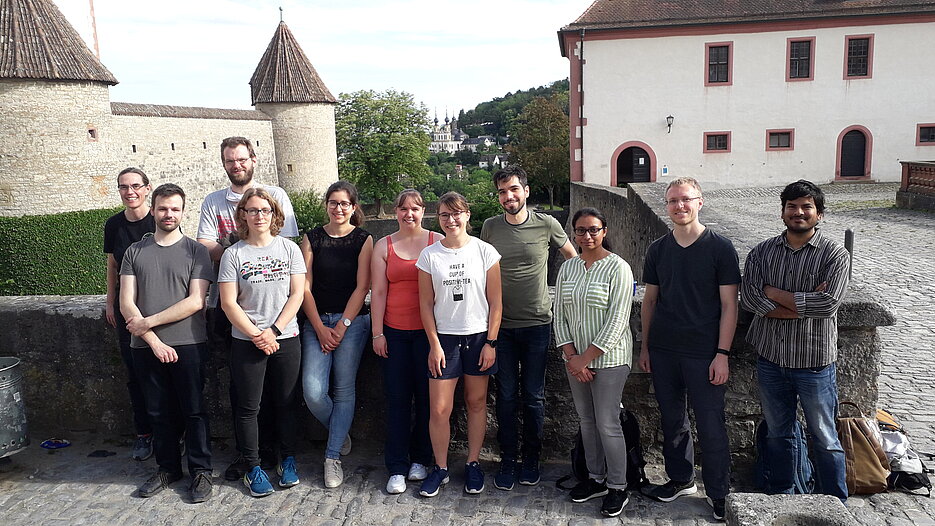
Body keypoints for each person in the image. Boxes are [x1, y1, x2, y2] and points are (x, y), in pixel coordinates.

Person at [740, 180, 850, 502]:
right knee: (778, 433)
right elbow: (751, 299)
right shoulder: (762, 252)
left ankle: (834, 502)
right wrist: (802, 305)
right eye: (792, 206)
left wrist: (774, 293)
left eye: (806, 207)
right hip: (771, 359)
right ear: (783, 212)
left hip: (814, 362)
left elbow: (827, 304)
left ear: (819, 214)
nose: (798, 212)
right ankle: (783, 495)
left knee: (825, 436)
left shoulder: (834, 255)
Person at [637, 177, 740, 522]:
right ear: (666, 206)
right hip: (664, 349)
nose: (679, 206)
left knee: (711, 424)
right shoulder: (658, 249)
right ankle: (681, 479)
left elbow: (730, 305)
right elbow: (650, 301)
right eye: (673, 201)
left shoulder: (720, 247)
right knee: (672, 421)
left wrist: (722, 354)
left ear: (699, 202)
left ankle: (719, 492)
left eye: (685, 199)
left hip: (704, 351)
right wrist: (646, 347)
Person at [196, 136, 298, 481]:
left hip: (279, 322)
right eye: (230, 161)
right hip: (236, 315)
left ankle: (278, 454)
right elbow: (205, 246)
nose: (236, 165)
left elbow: (286, 248)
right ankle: (250, 457)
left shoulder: (276, 194)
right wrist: (236, 249)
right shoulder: (214, 202)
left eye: (241, 159)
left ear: (253, 159)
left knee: (282, 396)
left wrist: (273, 331)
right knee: (244, 395)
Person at [480, 166, 576, 490]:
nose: (508, 196)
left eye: (513, 190)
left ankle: (531, 458)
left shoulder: (546, 224)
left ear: (526, 191)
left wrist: (573, 295)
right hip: (501, 327)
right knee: (506, 396)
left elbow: (572, 259)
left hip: (537, 324)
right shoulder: (490, 227)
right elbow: (480, 269)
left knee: (534, 397)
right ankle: (508, 458)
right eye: (502, 192)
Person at [119, 183, 214, 503]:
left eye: (175, 209)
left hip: (188, 342)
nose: (168, 214)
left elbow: (196, 301)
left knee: (194, 410)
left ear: (183, 212)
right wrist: (152, 340)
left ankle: (201, 471)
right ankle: (168, 468)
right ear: (153, 210)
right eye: (163, 208)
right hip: (145, 347)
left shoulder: (196, 251)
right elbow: (126, 303)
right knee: (157, 411)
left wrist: (148, 323)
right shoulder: (135, 252)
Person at [218, 187, 306, 498]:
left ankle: (287, 459)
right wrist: (257, 334)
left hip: (286, 337)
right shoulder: (234, 254)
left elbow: (297, 293)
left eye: (265, 210)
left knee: (286, 403)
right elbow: (229, 303)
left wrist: (274, 331)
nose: (259, 216)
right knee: (248, 407)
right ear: (243, 215)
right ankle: (253, 466)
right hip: (247, 341)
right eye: (252, 210)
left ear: (274, 214)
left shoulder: (289, 249)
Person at [416, 191, 502, 497]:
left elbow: (496, 302)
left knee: (476, 402)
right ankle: (440, 468)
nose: (450, 220)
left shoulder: (485, 252)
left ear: (467, 215)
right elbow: (425, 304)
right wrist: (434, 344)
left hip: (478, 336)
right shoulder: (429, 256)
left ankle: (473, 463)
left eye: (456, 214)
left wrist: (491, 342)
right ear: (438, 219)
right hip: (445, 339)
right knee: (440, 408)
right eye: (444, 215)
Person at [553, 207, 634, 518]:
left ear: (604, 231)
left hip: (610, 359)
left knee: (607, 423)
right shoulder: (568, 269)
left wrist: (584, 359)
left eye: (593, 230)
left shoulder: (618, 268)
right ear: (573, 233)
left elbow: (617, 320)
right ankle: (596, 478)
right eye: (581, 230)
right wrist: (572, 357)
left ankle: (618, 486)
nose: (587, 236)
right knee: (586, 420)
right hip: (574, 359)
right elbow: (560, 315)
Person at [300, 180, 373, 489]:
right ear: (326, 205)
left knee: (343, 389)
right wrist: (319, 327)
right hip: (316, 321)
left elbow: (363, 286)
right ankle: (339, 433)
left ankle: (332, 457)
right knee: (313, 391)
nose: (338, 208)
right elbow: (303, 286)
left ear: (353, 207)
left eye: (344, 203)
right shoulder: (312, 238)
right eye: (333, 202)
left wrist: (342, 325)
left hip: (352, 323)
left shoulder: (363, 239)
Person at [370, 189, 443, 494]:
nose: (409, 214)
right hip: (395, 333)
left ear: (423, 211)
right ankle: (397, 466)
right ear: (395, 212)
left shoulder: (437, 241)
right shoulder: (384, 245)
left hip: (429, 334)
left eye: (415, 208)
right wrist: (377, 333)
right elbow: (378, 292)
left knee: (427, 400)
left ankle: (421, 459)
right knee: (397, 401)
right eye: (403, 209)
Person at [104, 167, 156, 461]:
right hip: (126, 308)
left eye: (136, 186)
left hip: (157, 306)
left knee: (165, 371)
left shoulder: (159, 218)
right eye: (124, 187)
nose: (130, 192)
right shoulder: (114, 225)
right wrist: (110, 301)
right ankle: (144, 434)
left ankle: (174, 433)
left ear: (147, 188)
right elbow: (113, 264)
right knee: (135, 374)